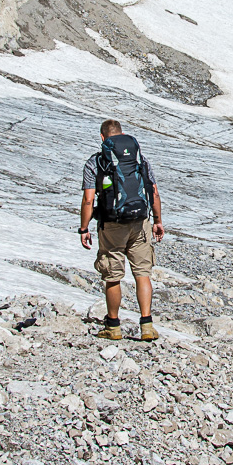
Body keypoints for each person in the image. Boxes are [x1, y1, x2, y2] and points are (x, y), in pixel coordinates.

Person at [79, 119, 164, 341]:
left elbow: (89, 200)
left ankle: (113, 326)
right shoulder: (139, 159)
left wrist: (84, 228)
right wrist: (157, 221)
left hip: (112, 224)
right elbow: (153, 192)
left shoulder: (95, 162)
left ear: (102, 137)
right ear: (122, 134)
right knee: (142, 274)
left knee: (113, 276)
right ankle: (146, 326)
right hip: (140, 222)